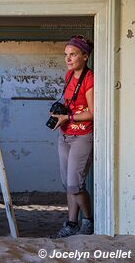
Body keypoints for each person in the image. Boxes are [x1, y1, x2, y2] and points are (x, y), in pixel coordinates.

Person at [51, 35, 94, 238]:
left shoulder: (90, 79)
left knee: (75, 184)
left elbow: (93, 112)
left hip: (82, 136)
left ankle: (88, 221)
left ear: (85, 56)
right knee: (67, 183)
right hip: (65, 134)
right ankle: (71, 224)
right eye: (66, 55)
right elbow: (70, 104)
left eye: (73, 54)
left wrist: (67, 116)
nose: (68, 59)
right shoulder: (68, 76)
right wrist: (59, 115)